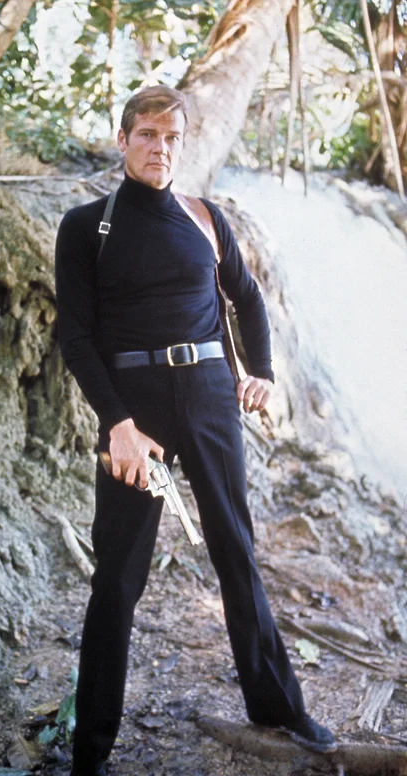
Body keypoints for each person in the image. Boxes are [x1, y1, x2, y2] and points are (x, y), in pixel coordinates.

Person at [55, 85, 336, 776]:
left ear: (184, 144)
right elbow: (76, 337)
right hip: (135, 410)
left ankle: (276, 706)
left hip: (210, 395)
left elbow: (247, 298)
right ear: (124, 140)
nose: (161, 147)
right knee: (117, 577)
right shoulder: (88, 227)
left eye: (172, 137)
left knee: (236, 549)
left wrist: (261, 371)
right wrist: (117, 425)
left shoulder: (205, 218)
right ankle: (90, 749)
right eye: (148, 134)